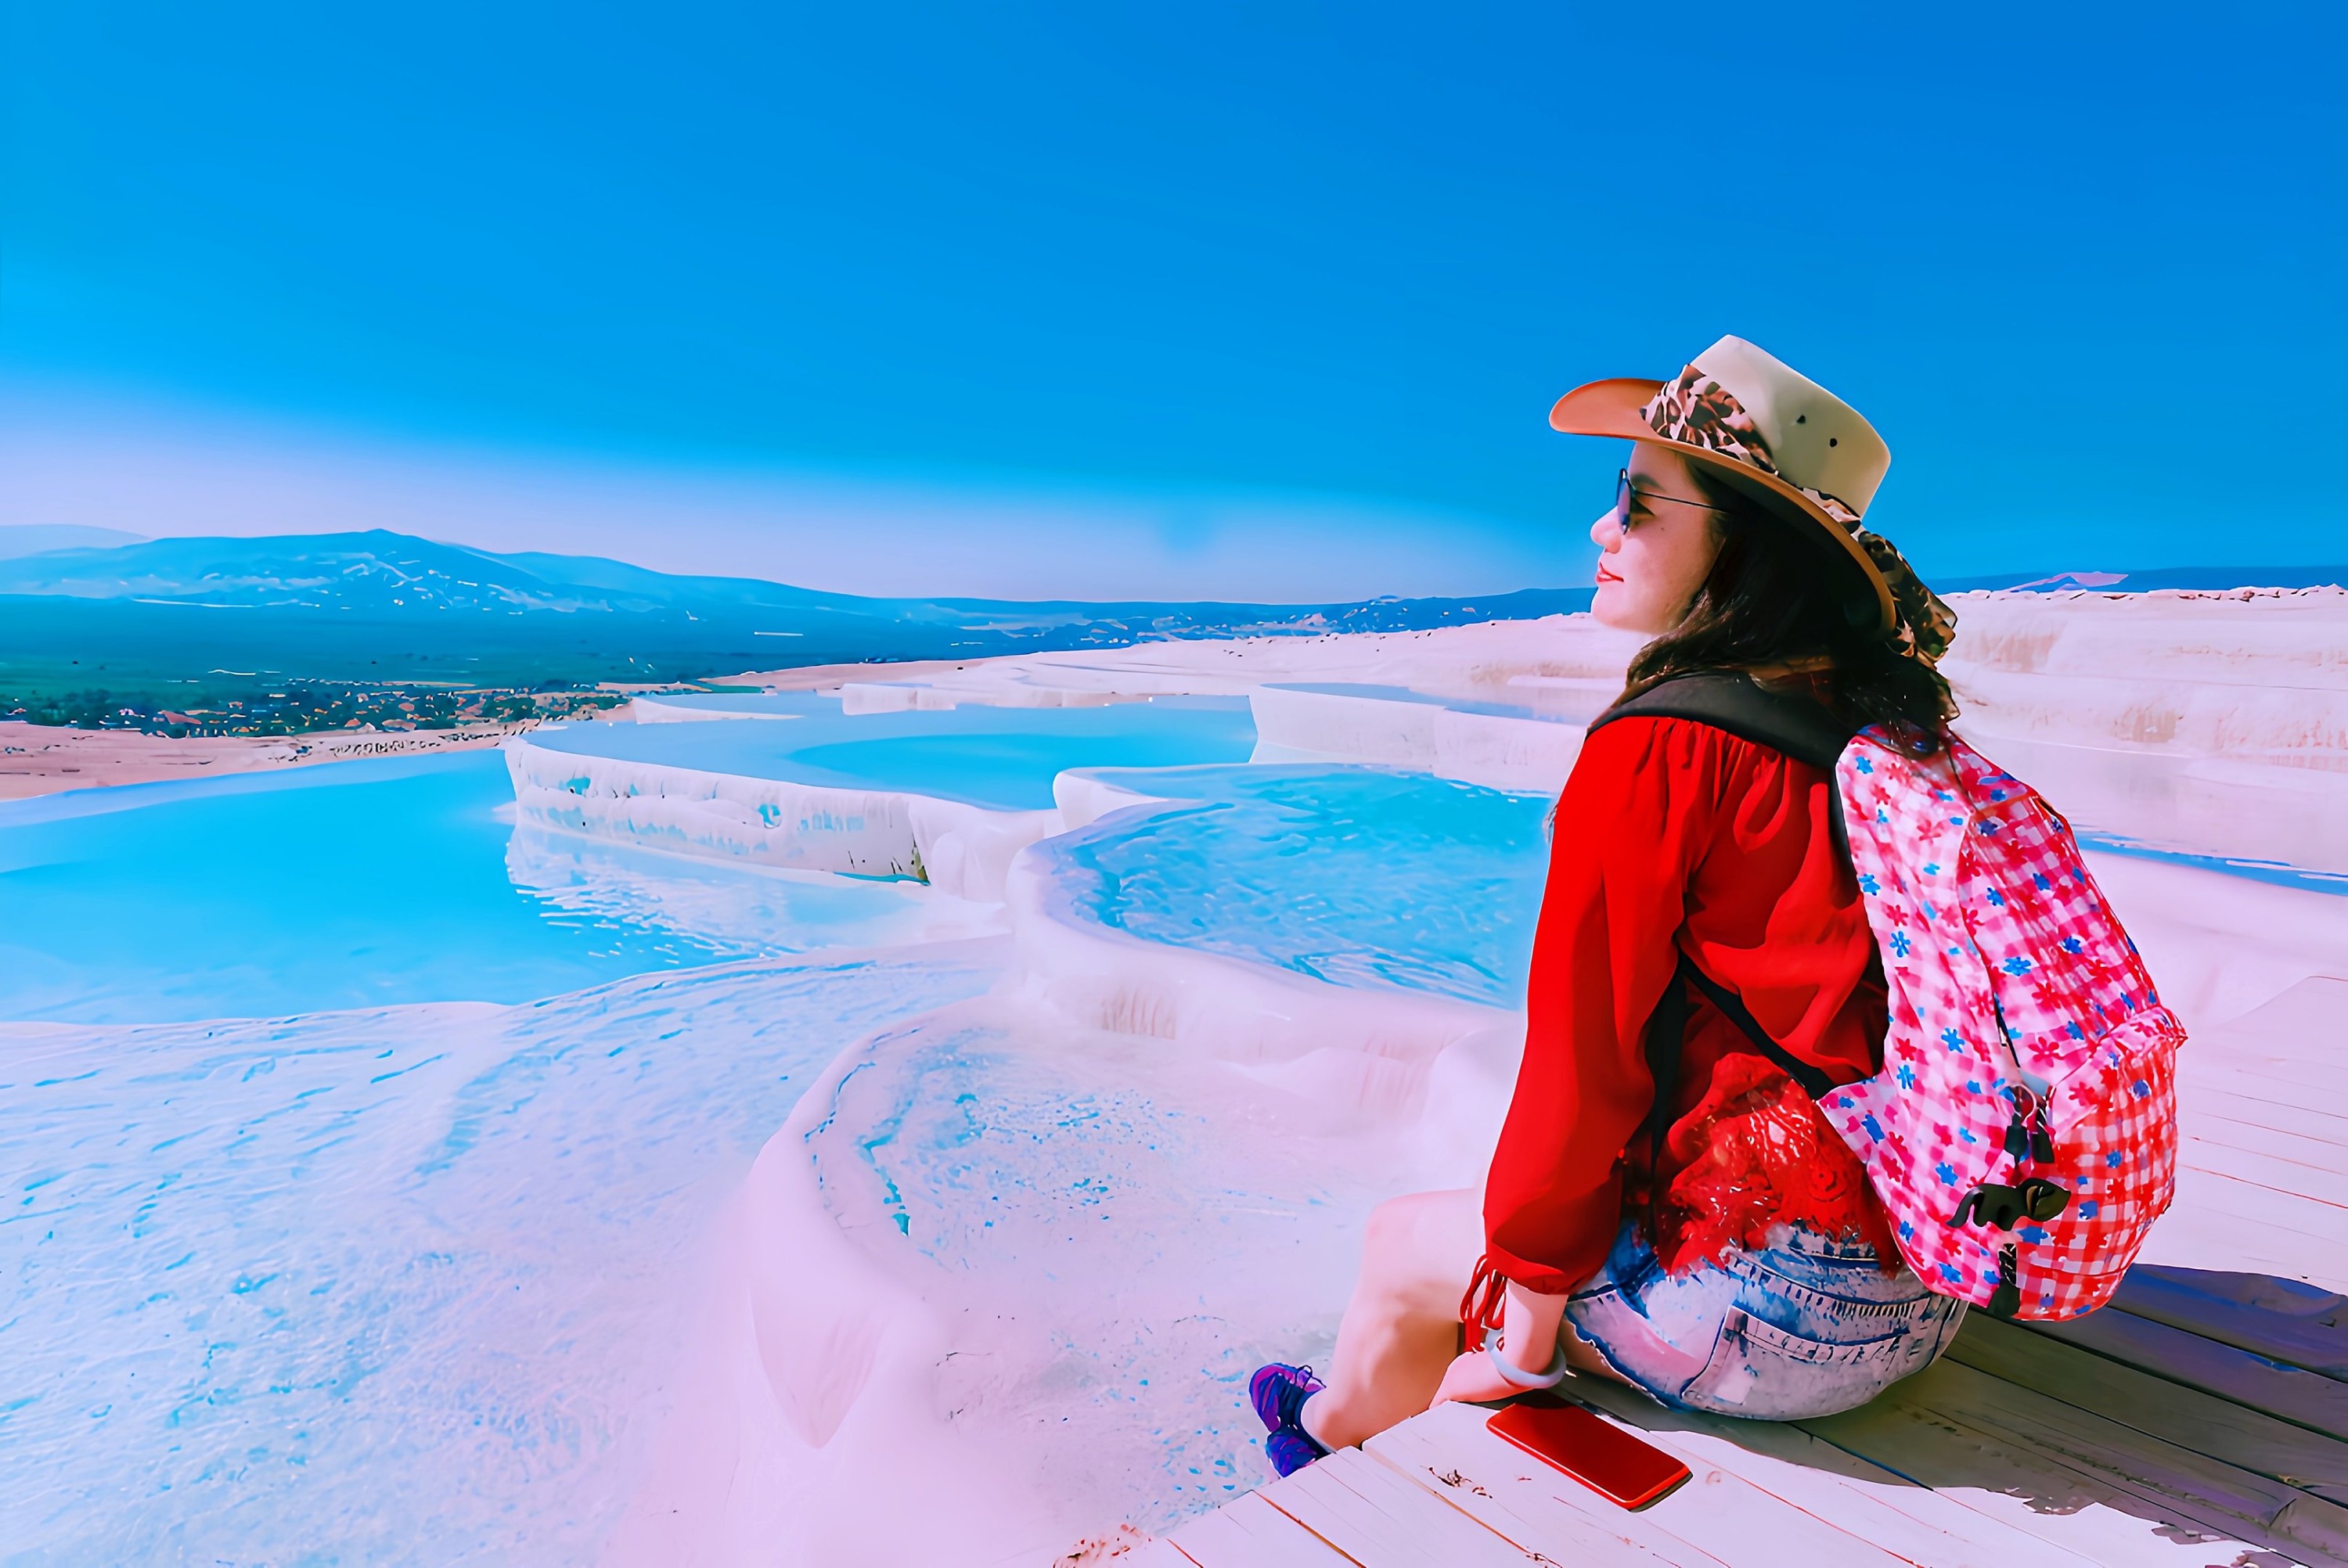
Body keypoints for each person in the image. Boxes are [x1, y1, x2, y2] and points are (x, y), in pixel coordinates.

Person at [1249, 336, 1972, 1475]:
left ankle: (1316, 1452)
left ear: (1742, 547)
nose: (1602, 527)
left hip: (1780, 1317)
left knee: (1402, 1250)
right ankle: (1353, 1415)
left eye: (1637, 500)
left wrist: (1528, 1334)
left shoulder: (1666, 747)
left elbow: (1587, 1059)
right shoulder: (1889, 734)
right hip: (1937, 1282)